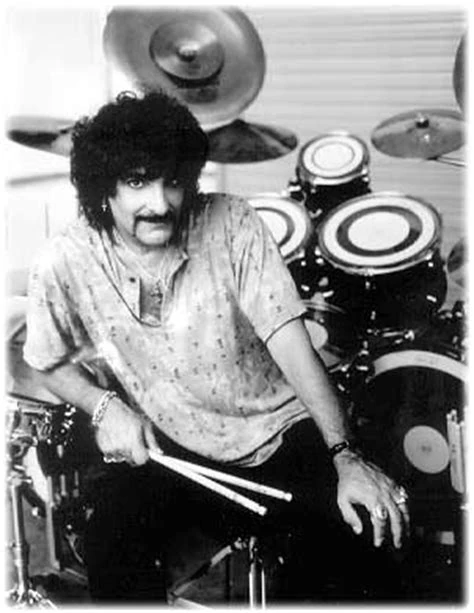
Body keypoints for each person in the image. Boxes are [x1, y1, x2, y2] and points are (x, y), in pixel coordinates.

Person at [23, 90, 410, 604]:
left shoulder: (233, 223)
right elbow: (43, 361)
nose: (160, 203)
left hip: (276, 432)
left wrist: (344, 455)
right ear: (103, 187)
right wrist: (104, 405)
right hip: (169, 444)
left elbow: (293, 347)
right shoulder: (65, 259)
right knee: (111, 542)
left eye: (172, 181)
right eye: (137, 182)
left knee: (366, 536)